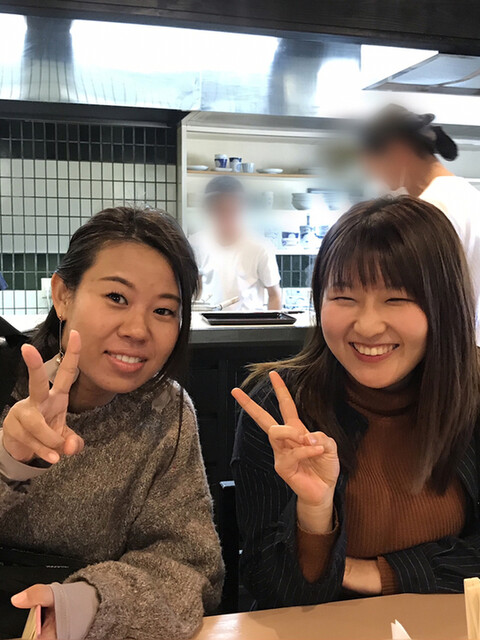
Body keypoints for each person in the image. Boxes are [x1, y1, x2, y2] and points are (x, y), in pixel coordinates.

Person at [231, 196, 480, 610]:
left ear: (444, 304)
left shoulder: (472, 393)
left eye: (396, 299)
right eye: (344, 298)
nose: (367, 326)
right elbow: (271, 588)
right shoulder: (282, 406)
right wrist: (314, 512)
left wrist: (377, 573)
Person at [0, 207, 224, 640]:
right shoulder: (4, 379)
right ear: (63, 295)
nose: (138, 330)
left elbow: (191, 566)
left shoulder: (166, 412)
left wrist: (87, 606)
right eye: (117, 298)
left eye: (164, 310)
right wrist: (9, 461)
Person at [360, 104, 480, 342]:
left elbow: (425, 294)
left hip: (446, 343)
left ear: (397, 150)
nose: (375, 176)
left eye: (373, 165)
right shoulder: (467, 194)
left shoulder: (432, 207)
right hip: (469, 342)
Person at [189, 176, 282, 311]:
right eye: (220, 209)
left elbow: (274, 295)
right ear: (209, 210)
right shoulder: (195, 244)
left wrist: (271, 324)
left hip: (248, 322)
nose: (226, 215)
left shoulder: (260, 246)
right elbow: (191, 291)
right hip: (206, 322)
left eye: (232, 208)